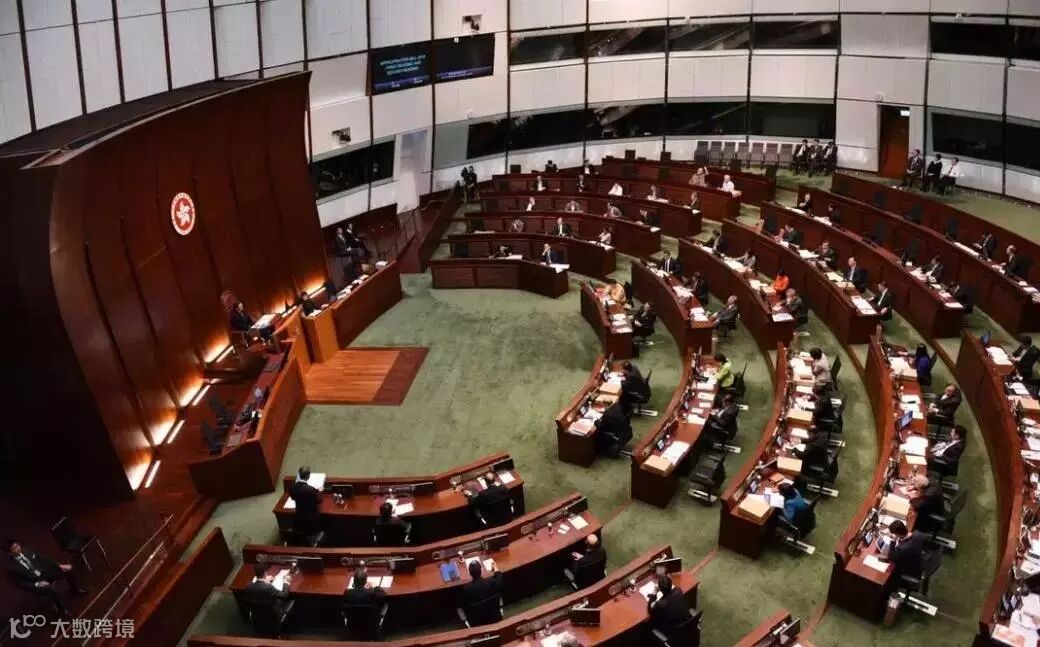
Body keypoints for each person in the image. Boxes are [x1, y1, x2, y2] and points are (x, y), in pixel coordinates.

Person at [4, 539, 86, 615]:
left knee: (68, 571)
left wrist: (59, 565)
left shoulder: (27, 549)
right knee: (48, 589)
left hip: (44, 573)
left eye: (17, 546)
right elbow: (18, 583)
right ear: (9, 553)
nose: (18, 549)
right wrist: (37, 584)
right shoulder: (10, 567)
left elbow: (44, 558)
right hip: (34, 582)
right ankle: (60, 608)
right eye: (14, 549)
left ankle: (74, 591)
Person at [461, 559, 503, 626]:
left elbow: (463, 605)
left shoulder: (466, 589)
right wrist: (496, 569)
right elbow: (499, 578)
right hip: (494, 617)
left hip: (477, 623)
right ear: (481, 570)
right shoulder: (492, 582)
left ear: (469, 572)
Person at [289, 466, 322, 533]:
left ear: (299, 474)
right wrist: (319, 491)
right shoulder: (311, 490)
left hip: (298, 517)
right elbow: (319, 500)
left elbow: (293, 497)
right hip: (311, 520)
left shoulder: (292, 486)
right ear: (308, 476)